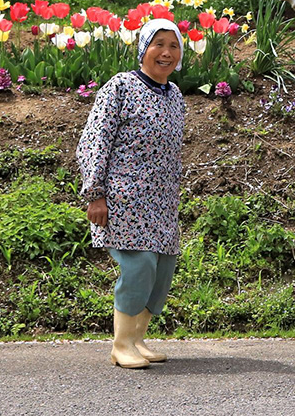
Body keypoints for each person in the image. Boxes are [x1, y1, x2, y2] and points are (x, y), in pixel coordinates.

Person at [77, 18, 186, 369]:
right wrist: (95, 194)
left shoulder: (175, 95)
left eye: (173, 45)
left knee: (161, 271)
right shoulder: (120, 87)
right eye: (159, 44)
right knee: (138, 267)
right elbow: (94, 141)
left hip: (162, 203)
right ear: (143, 49)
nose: (166, 53)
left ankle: (138, 339)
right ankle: (121, 344)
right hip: (124, 200)